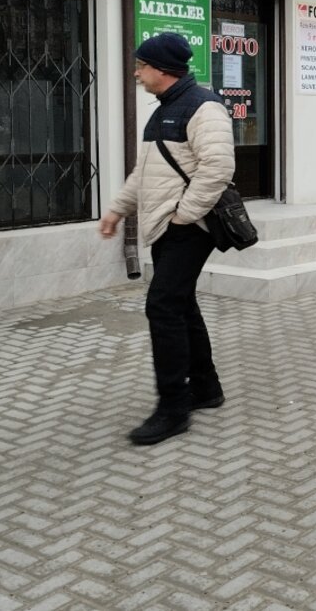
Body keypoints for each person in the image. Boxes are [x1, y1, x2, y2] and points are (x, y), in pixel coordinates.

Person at [97, 33, 235, 445]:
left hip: (188, 227)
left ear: (162, 69)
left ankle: (173, 408)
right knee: (180, 303)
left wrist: (183, 216)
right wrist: (118, 209)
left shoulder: (204, 107)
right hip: (167, 225)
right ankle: (206, 388)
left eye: (141, 66)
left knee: (162, 306)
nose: (137, 73)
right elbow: (144, 174)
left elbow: (218, 168)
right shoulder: (163, 110)